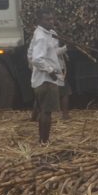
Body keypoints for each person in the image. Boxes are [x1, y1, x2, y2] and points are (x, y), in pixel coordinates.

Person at [29, 9, 64, 143]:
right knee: (46, 112)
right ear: (40, 21)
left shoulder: (46, 34)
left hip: (43, 79)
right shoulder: (41, 37)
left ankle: (43, 139)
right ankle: (44, 141)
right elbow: (37, 59)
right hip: (46, 80)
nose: (51, 22)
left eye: (52, 19)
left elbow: (49, 53)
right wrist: (51, 71)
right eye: (47, 20)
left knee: (44, 110)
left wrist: (65, 48)